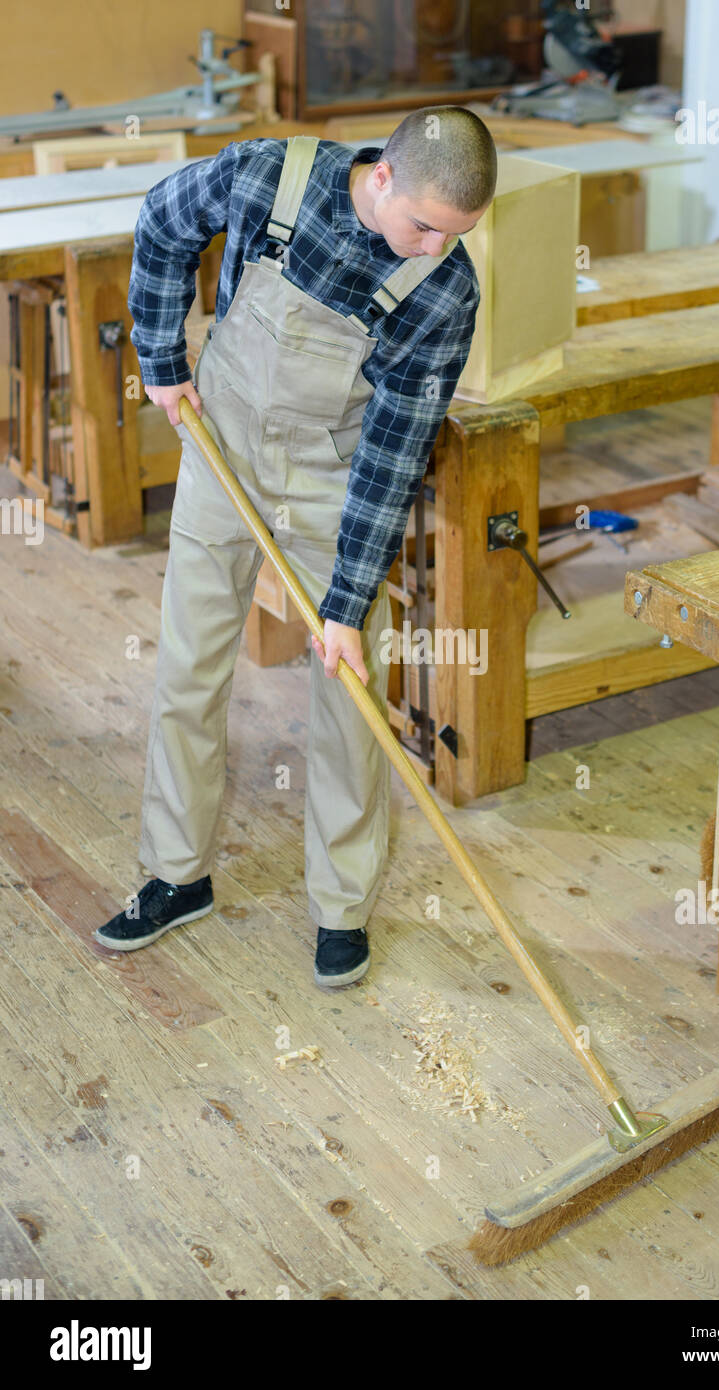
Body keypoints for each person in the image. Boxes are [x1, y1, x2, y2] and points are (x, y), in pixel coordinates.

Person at [93, 107, 497, 987]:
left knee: (349, 694)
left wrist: (346, 606)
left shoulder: (443, 290)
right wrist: (160, 358)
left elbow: (393, 457)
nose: (432, 248)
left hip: (332, 479)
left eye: (454, 235)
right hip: (221, 444)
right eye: (424, 225)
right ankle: (175, 874)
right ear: (381, 176)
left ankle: (341, 908)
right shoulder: (272, 174)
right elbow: (163, 219)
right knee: (188, 668)